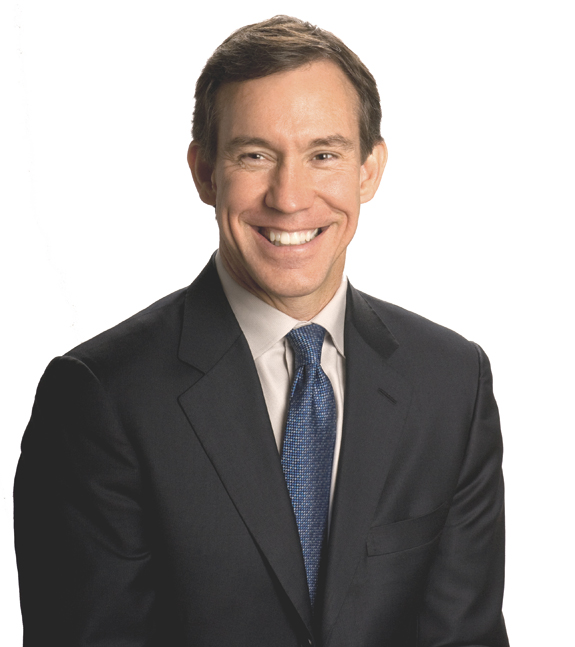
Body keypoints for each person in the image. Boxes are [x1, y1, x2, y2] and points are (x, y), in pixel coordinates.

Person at [14, 15, 509, 647]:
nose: (290, 197)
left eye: (324, 155)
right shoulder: (100, 398)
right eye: (255, 155)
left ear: (368, 170)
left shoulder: (451, 382)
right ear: (204, 172)